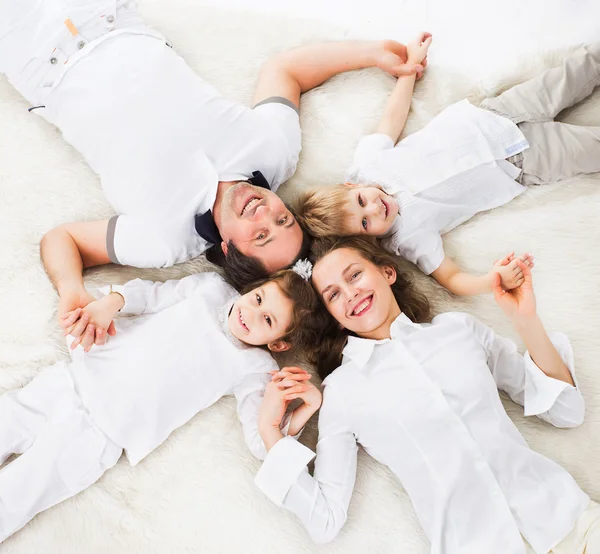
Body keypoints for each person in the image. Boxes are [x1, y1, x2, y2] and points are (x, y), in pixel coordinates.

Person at [0, 0, 425, 349]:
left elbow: (65, 240)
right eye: (283, 219)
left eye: (260, 234)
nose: (264, 211)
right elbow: (286, 71)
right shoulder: (273, 153)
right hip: (112, 19)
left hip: (39, 58)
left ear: (227, 247)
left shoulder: (164, 238)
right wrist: (370, 54)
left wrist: (71, 289)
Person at [254, 236, 599, 554]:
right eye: (333, 294)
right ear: (334, 318)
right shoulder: (342, 390)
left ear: (387, 272)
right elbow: (325, 521)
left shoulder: (458, 330)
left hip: (572, 522)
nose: (350, 294)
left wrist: (525, 320)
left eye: (355, 275)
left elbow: (567, 412)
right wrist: (271, 432)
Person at [0, 264, 326, 543]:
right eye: (257, 298)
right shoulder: (211, 290)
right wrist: (112, 301)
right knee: (7, 420)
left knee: (21, 492)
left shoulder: (255, 368)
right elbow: (151, 295)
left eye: (267, 320)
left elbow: (262, 440)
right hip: (73, 382)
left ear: (278, 343)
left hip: (99, 435)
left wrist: (301, 412)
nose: (250, 314)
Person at [295, 38, 600, 296]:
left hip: (492, 116)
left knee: (578, 69)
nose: (374, 209)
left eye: (361, 201)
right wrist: (493, 280)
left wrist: (409, 71)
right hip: (522, 163)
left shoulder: (367, 165)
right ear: (365, 239)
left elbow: (393, 117)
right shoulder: (407, 238)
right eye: (365, 223)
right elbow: (452, 279)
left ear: (352, 186)